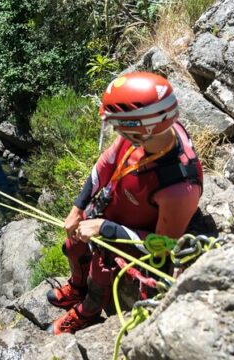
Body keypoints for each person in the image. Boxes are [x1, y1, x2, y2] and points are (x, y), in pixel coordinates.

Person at [46, 72, 203, 335]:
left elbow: (163, 246)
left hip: (124, 235)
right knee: (72, 246)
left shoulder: (179, 188)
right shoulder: (146, 136)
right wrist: (78, 208)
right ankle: (76, 286)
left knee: (99, 275)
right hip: (107, 214)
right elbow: (105, 165)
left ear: (143, 128)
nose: (117, 132)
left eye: (121, 127)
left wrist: (105, 228)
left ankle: (87, 312)